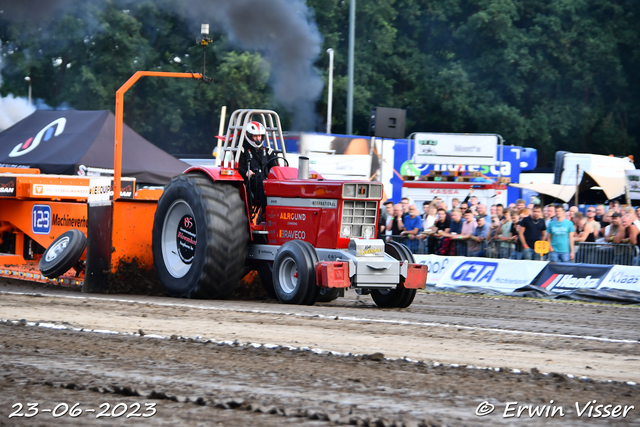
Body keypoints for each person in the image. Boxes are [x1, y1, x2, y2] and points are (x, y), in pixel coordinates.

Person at [238, 121, 277, 222]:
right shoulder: (242, 151)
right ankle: (265, 213)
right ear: (249, 136)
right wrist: (246, 172)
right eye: (255, 136)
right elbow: (238, 168)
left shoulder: (269, 151)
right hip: (250, 183)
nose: (258, 139)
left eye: (260, 136)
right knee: (260, 180)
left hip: (267, 182)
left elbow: (275, 169)